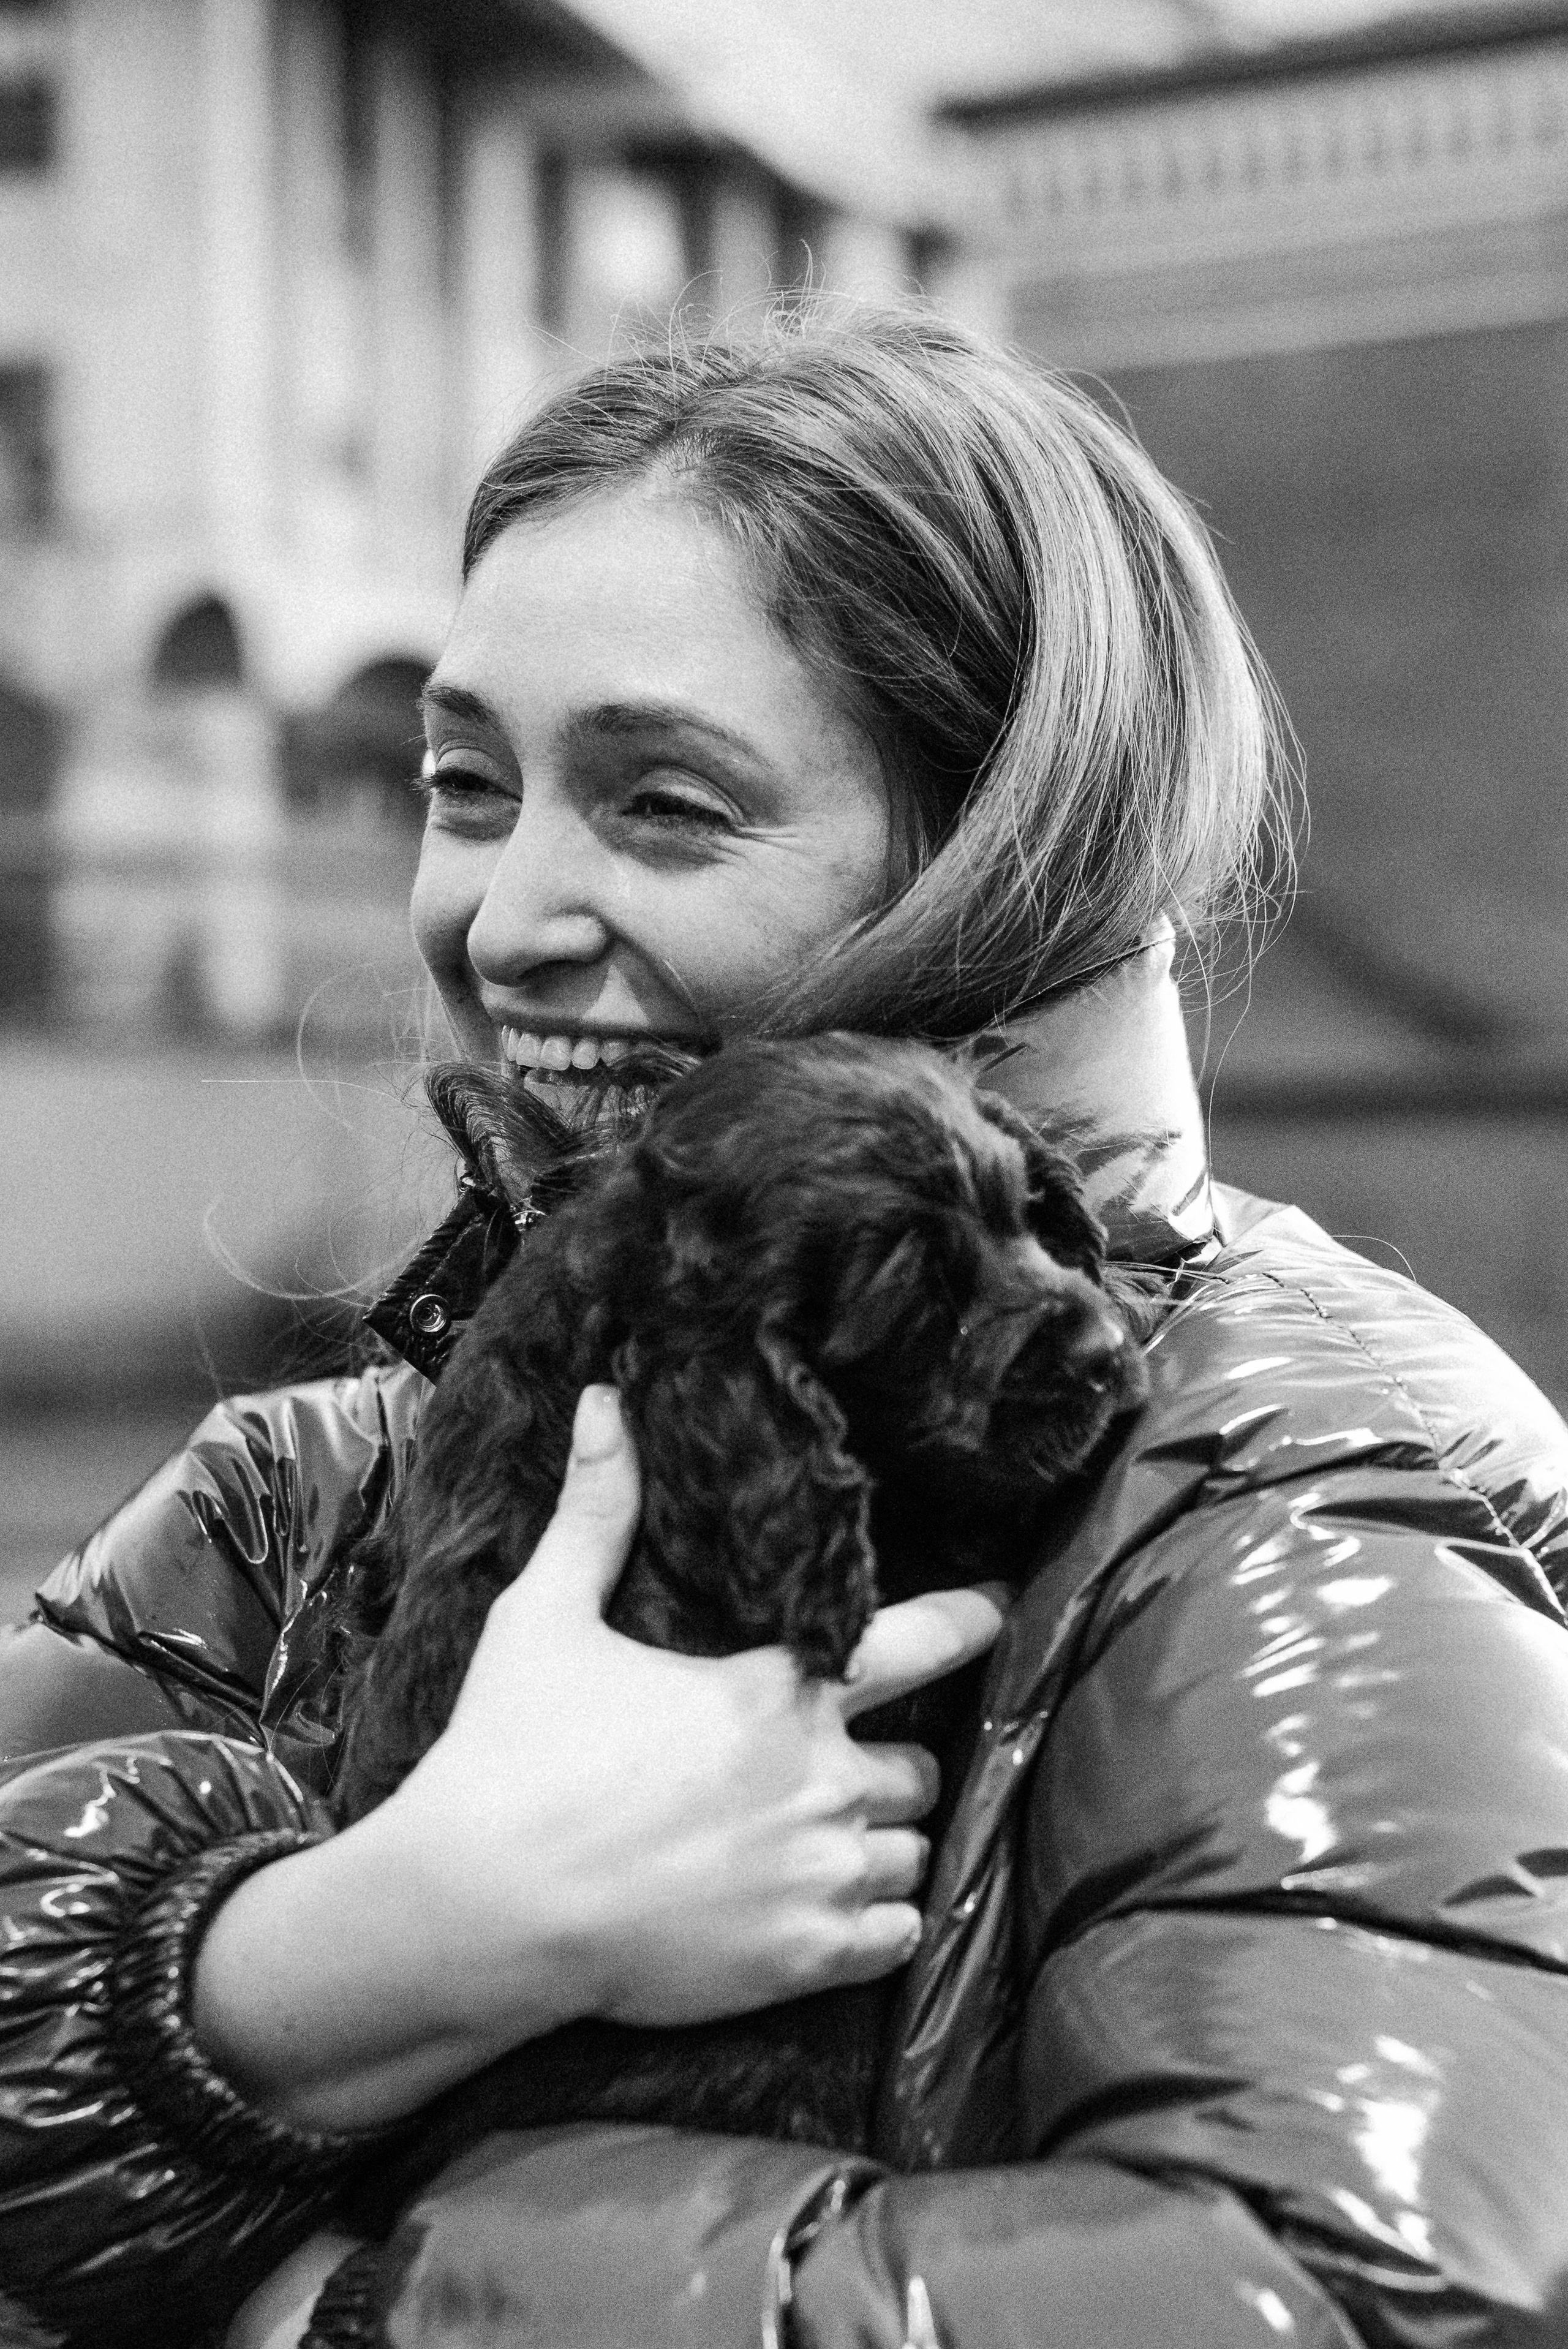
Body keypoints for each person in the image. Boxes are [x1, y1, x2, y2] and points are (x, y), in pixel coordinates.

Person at [3, 301, 1568, 2349]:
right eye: (467, 786)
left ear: (1020, 847)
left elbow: (1357, 2285)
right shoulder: (324, 1472)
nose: (500, 915)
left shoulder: (1308, 1489)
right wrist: (392, 1945)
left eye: (666, 805)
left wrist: (371, 2306)